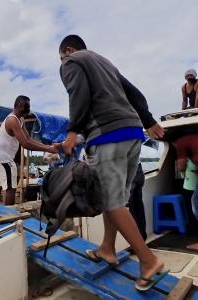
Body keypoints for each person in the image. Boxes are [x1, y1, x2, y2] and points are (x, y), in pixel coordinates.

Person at [58, 35, 165, 291]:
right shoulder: (105, 62)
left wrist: (73, 132)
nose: (63, 62)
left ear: (68, 50)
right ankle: (107, 248)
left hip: (107, 135)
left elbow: (79, 95)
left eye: (62, 56)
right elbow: (135, 94)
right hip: (132, 134)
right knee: (114, 198)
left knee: (111, 201)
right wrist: (148, 120)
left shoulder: (71, 61)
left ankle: (148, 261)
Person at [0, 95, 59, 205]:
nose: (28, 109)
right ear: (19, 105)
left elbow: (28, 139)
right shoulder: (12, 120)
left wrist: (48, 147)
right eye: (27, 106)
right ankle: (9, 215)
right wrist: (49, 149)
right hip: (3, 158)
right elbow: (25, 144)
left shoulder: (20, 119)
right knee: (10, 188)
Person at [173, 134, 198, 234]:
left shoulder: (186, 155)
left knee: (192, 204)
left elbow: (180, 169)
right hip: (191, 185)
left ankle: (193, 230)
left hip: (189, 186)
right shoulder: (193, 154)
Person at [128, 162, 147, 241]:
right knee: (138, 206)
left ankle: (135, 241)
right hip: (137, 168)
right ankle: (141, 238)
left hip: (126, 170)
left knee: (130, 209)